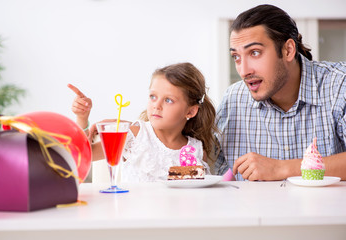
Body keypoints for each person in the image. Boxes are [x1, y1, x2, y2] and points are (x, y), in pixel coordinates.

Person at [215, 4, 346, 181]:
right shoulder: (232, 101)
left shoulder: (338, 86)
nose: (243, 70)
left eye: (254, 53)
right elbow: (215, 176)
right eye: (236, 57)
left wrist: (281, 168)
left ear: (288, 50)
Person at [68, 62, 218, 182]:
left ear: (190, 111)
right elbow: (85, 154)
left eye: (168, 100)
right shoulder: (136, 136)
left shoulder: (196, 150)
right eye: (153, 96)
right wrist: (82, 118)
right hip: (135, 217)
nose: (156, 105)